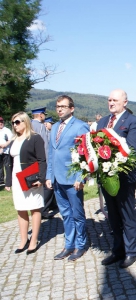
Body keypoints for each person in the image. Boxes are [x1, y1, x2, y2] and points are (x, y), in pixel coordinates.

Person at [97, 89, 136, 268]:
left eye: (115, 100)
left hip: (125, 177)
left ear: (125, 102)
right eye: (109, 99)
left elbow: (133, 149)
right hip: (106, 176)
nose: (111, 102)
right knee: (113, 216)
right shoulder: (102, 122)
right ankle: (118, 250)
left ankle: (132, 251)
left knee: (126, 214)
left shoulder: (134, 121)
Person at [46, 95, 89, 261]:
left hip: (72, 179)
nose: (59, 109)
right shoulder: (55, 127)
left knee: (77, 214)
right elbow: (51, 152)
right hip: (57, 178)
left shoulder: (80, 126)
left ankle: (80, 244)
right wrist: (49, 175)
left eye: (63, 106)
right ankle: (68, 245)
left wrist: (80, 176)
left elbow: (85, 154)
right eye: (58, 106)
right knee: (65, 214)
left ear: (71, 108)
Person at [5, 112, 46, 254]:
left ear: (25, 122)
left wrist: (41, 178)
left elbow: (42, 160)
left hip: (30, 178)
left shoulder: (35, 138)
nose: (15, 125)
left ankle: (33, 240)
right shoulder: (13, 140)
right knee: (20, 208)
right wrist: (8, 181)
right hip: (17, 179)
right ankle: (24, 240)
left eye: (17, 122)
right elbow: (9, 162)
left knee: (34, 208)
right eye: (13, 122)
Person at [0, 116, 13, 186]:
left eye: (1, 122)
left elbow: (11, 139)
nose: (0, 123)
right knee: (0, 167)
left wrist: (5, 145)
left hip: (6, 151)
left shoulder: (7, 130)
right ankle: (1, 181)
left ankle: (9, 181)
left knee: (7, 166)